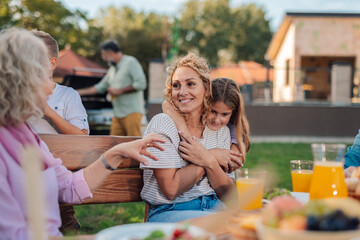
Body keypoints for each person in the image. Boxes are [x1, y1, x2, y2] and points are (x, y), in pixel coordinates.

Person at [0, 27, 165, 239]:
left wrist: (118, 152)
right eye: (42, 76)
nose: (52, 88)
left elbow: (68, 187)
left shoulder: (26, 135)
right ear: (18, 81)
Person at [140, 53, 236, 223]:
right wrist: (211, 156)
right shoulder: (163, 124)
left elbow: (228, 194)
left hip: (216, 207)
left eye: (191, 84)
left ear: (206, 88)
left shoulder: (219, 131)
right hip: (170, 211)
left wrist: (207, 160)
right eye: (176, 86)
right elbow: (170, 189)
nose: (182, 92)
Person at [162, 77, 250, 172]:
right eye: (212, 111)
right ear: (205, 102)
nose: (216, 120)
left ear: (233, 112)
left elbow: (234, 161)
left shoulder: (232, 127)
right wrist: (187, 135)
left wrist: (207, 156)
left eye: (224, 114)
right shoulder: (192, 116)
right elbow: (166, 105)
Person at [77, 40, 147, 137]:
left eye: (103, 55)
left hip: (132, 113)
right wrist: (77, 92)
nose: (103, 58)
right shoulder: (112, 69)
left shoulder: (130, 62)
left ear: (110, 52)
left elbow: (141, 84)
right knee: (113, 143)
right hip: (117, 114)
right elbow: (100, 87)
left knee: (134, 143)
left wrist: (119, 91)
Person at [27, 30, 89, 135]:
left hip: (57, 151)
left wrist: (49, 112)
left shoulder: (68, 95)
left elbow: (82, 136)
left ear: (51, 64)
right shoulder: (16, 95)